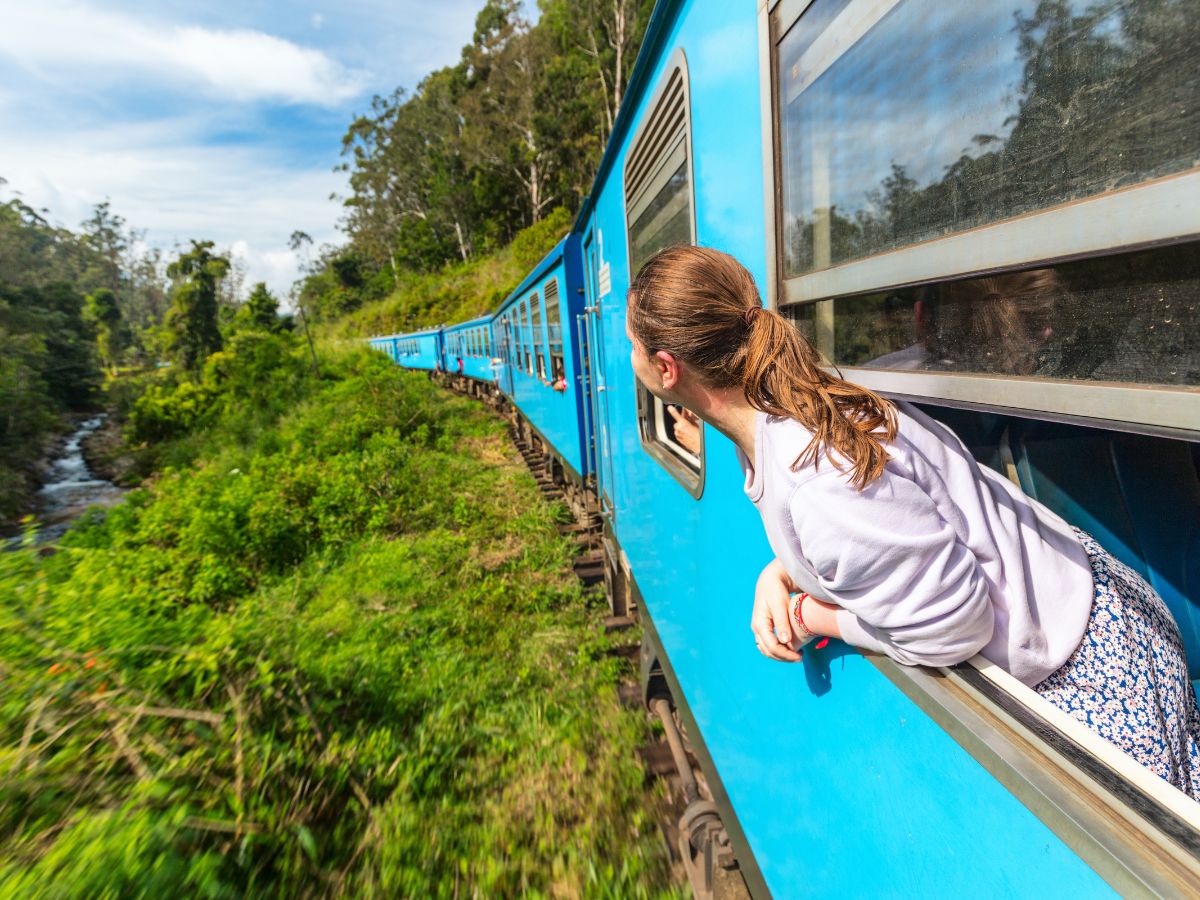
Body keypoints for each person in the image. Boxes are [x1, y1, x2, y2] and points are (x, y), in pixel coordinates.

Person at [625, 245, 1200, 798]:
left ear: (666, 367)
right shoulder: (794, 405)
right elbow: (894, 520)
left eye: (633, 346)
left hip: (1095, 675)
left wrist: (812, 615)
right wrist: (781, 572)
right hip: (1089, 605)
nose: (629, 358)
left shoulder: (813, 482)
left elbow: (953, 629)